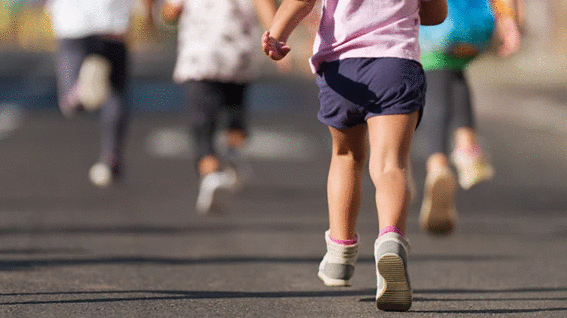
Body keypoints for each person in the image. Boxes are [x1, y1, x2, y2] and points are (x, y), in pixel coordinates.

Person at [262, 0, 447, 312]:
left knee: (346, 155)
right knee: (390, 164)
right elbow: (436, 14)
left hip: (342, 68)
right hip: (395, 64)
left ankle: (340, 253)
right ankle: (391, 240)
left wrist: (278, 35)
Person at [161, 0, 281, 215]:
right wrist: (278, 38)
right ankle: (234, 153)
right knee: (235, 109)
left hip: (200, 54)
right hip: (238, 52)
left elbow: (170, 12)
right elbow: (264, 4)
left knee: (202, 118)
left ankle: (211, 173)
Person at [417, 0, 522, 235]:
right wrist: (508, 19)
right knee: (453, 72)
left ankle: (438, 166)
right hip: (471, 28)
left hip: (433, 27)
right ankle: (467, 147)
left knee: (434, 80)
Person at [44, 0, 155, 188]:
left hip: (73, 26)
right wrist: (149, 17)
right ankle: (111, 157)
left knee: (69, 99)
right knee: (116, 94)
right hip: (112, 26)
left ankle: (77, 94)